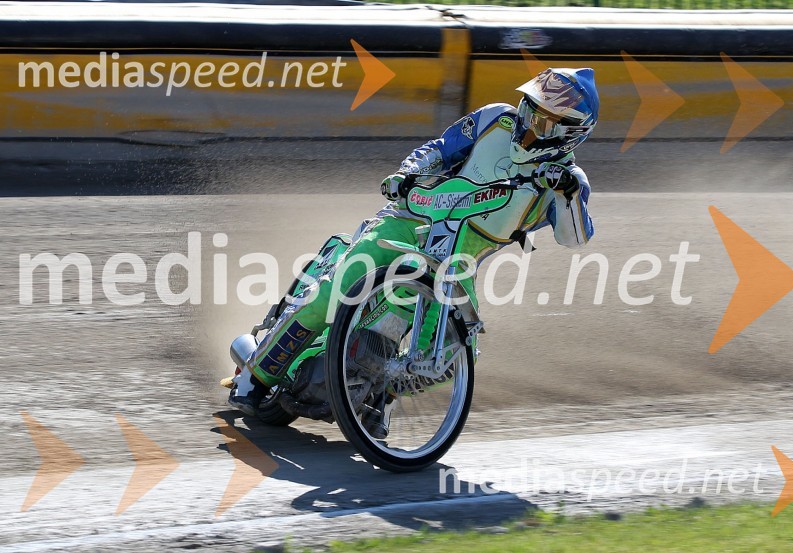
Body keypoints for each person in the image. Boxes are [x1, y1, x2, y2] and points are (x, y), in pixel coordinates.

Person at [228, 67, 599, 415]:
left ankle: (379, 401)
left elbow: (575, 238)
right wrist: (408, 173)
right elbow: (440, 148)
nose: (526, 124)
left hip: (459, 263)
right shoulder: (494, 119)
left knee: (449, 358)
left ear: (568, 132)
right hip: (410, 220)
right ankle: (256, 376)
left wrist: (566, 193)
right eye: (527, 108)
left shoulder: (569, 179)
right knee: (334, 292)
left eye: (541, 120)